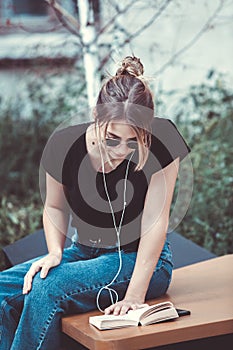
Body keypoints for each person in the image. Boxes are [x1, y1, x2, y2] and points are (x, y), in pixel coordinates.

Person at [0, 56, 190, 350]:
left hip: (138, 260)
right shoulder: (64, 144)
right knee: (3, 289)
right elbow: (54, 207)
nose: (122, 150)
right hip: (82, 253)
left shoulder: (163, 139)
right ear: (96, 116)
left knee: (47, 288)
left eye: (134, 141)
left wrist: (135, 296)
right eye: (112, 139)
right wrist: (54, 252)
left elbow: (156, 220)